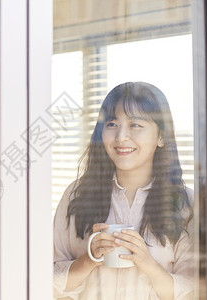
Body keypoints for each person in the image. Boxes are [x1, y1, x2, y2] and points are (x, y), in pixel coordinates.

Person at [53, 82, 194, 300]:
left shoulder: (186, 204)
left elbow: (192, 292)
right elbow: (48, 283)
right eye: (112, 124)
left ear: (161, 137)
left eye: (135, 125)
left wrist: (147, 263)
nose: (121, 137)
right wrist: (90, 259)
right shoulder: (76, 195)